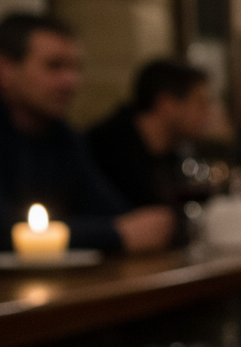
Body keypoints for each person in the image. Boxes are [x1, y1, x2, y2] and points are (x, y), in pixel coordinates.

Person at [0, 13, 173, 253]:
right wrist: (113, 235)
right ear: (5, 70)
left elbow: (115, 214)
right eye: (54, 66)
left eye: (76, 68)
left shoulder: (64, 136)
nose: (71, 81)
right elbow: (4, 233)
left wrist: (131, 227)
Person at [86, 59, 211, 209]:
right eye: (200, 102)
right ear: (166, 104)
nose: (207, 112)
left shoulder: (172, 152)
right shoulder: (108, 149)